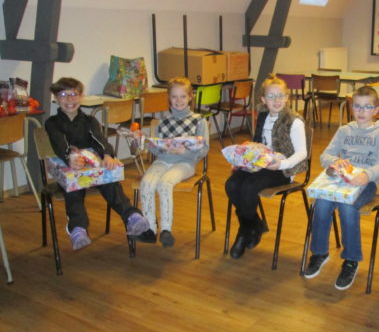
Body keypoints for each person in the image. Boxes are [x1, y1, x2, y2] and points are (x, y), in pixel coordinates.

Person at [45, 77, 155, 250]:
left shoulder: (89, 121)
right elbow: (59, 143)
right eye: (64, 95)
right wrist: (70, 156)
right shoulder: (52, 123)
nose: (70, 99)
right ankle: (77, 228)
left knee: (111, 183)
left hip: (93, 170)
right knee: (74, 190)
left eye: (74, 94)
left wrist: (107, 155)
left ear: (81, 96)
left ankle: (131, 216)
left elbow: (100, 140)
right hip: (70, 172)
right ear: (56, 98)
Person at [304, 86, 379, 290]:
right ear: (352, 107)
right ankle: (319, 253)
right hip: (340, 181)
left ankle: (351, 259)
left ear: (376, 110)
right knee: (321, 204)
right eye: (357, 106)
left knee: (347, 207)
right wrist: (335, 161)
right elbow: (325, 156)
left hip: (366, 183)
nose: (361, 111)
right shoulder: (344, 130)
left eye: (367, 107)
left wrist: (367, 175)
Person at [225, 76, 308, 259]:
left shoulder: (294, 121)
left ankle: (244, 232)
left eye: (281, 95)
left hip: (283, 169)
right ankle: (253, 225)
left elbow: (302, 153)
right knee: (231, 184)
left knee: (249, 187)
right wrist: (242, 159)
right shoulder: (263, 115)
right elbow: (257, 143)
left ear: (287, 97)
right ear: (263, 99)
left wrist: (282, 164)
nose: (277, 100)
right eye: (271, 96)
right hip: (260, 164)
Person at [139, 77, 209, 247]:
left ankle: (166, 229)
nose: (179, 101)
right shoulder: (163, 122)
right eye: (174, 97)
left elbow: (204, 148)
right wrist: (145, 143)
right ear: (169, 98)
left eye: (183, 96)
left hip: (185, 163)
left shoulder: (199, 120)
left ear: (190, 97)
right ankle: (150, 229)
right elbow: (157, 149)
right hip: (163, 160)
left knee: (165, 183)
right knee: (146, 183)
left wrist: (185, 151)